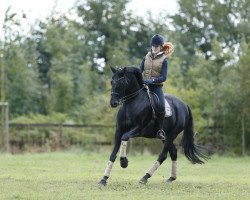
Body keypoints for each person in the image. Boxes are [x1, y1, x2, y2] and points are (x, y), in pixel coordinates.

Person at [140, 34, 174, 140]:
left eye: (157, 46)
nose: (154, 48)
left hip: (156, 87)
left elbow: (164, 77)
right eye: (153, 46)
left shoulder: (164, 60)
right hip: (144, 86)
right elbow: (139, 69)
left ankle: (160, 130)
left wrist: (152, 80)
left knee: (161, 106)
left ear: (161, 47)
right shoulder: (146, 57)